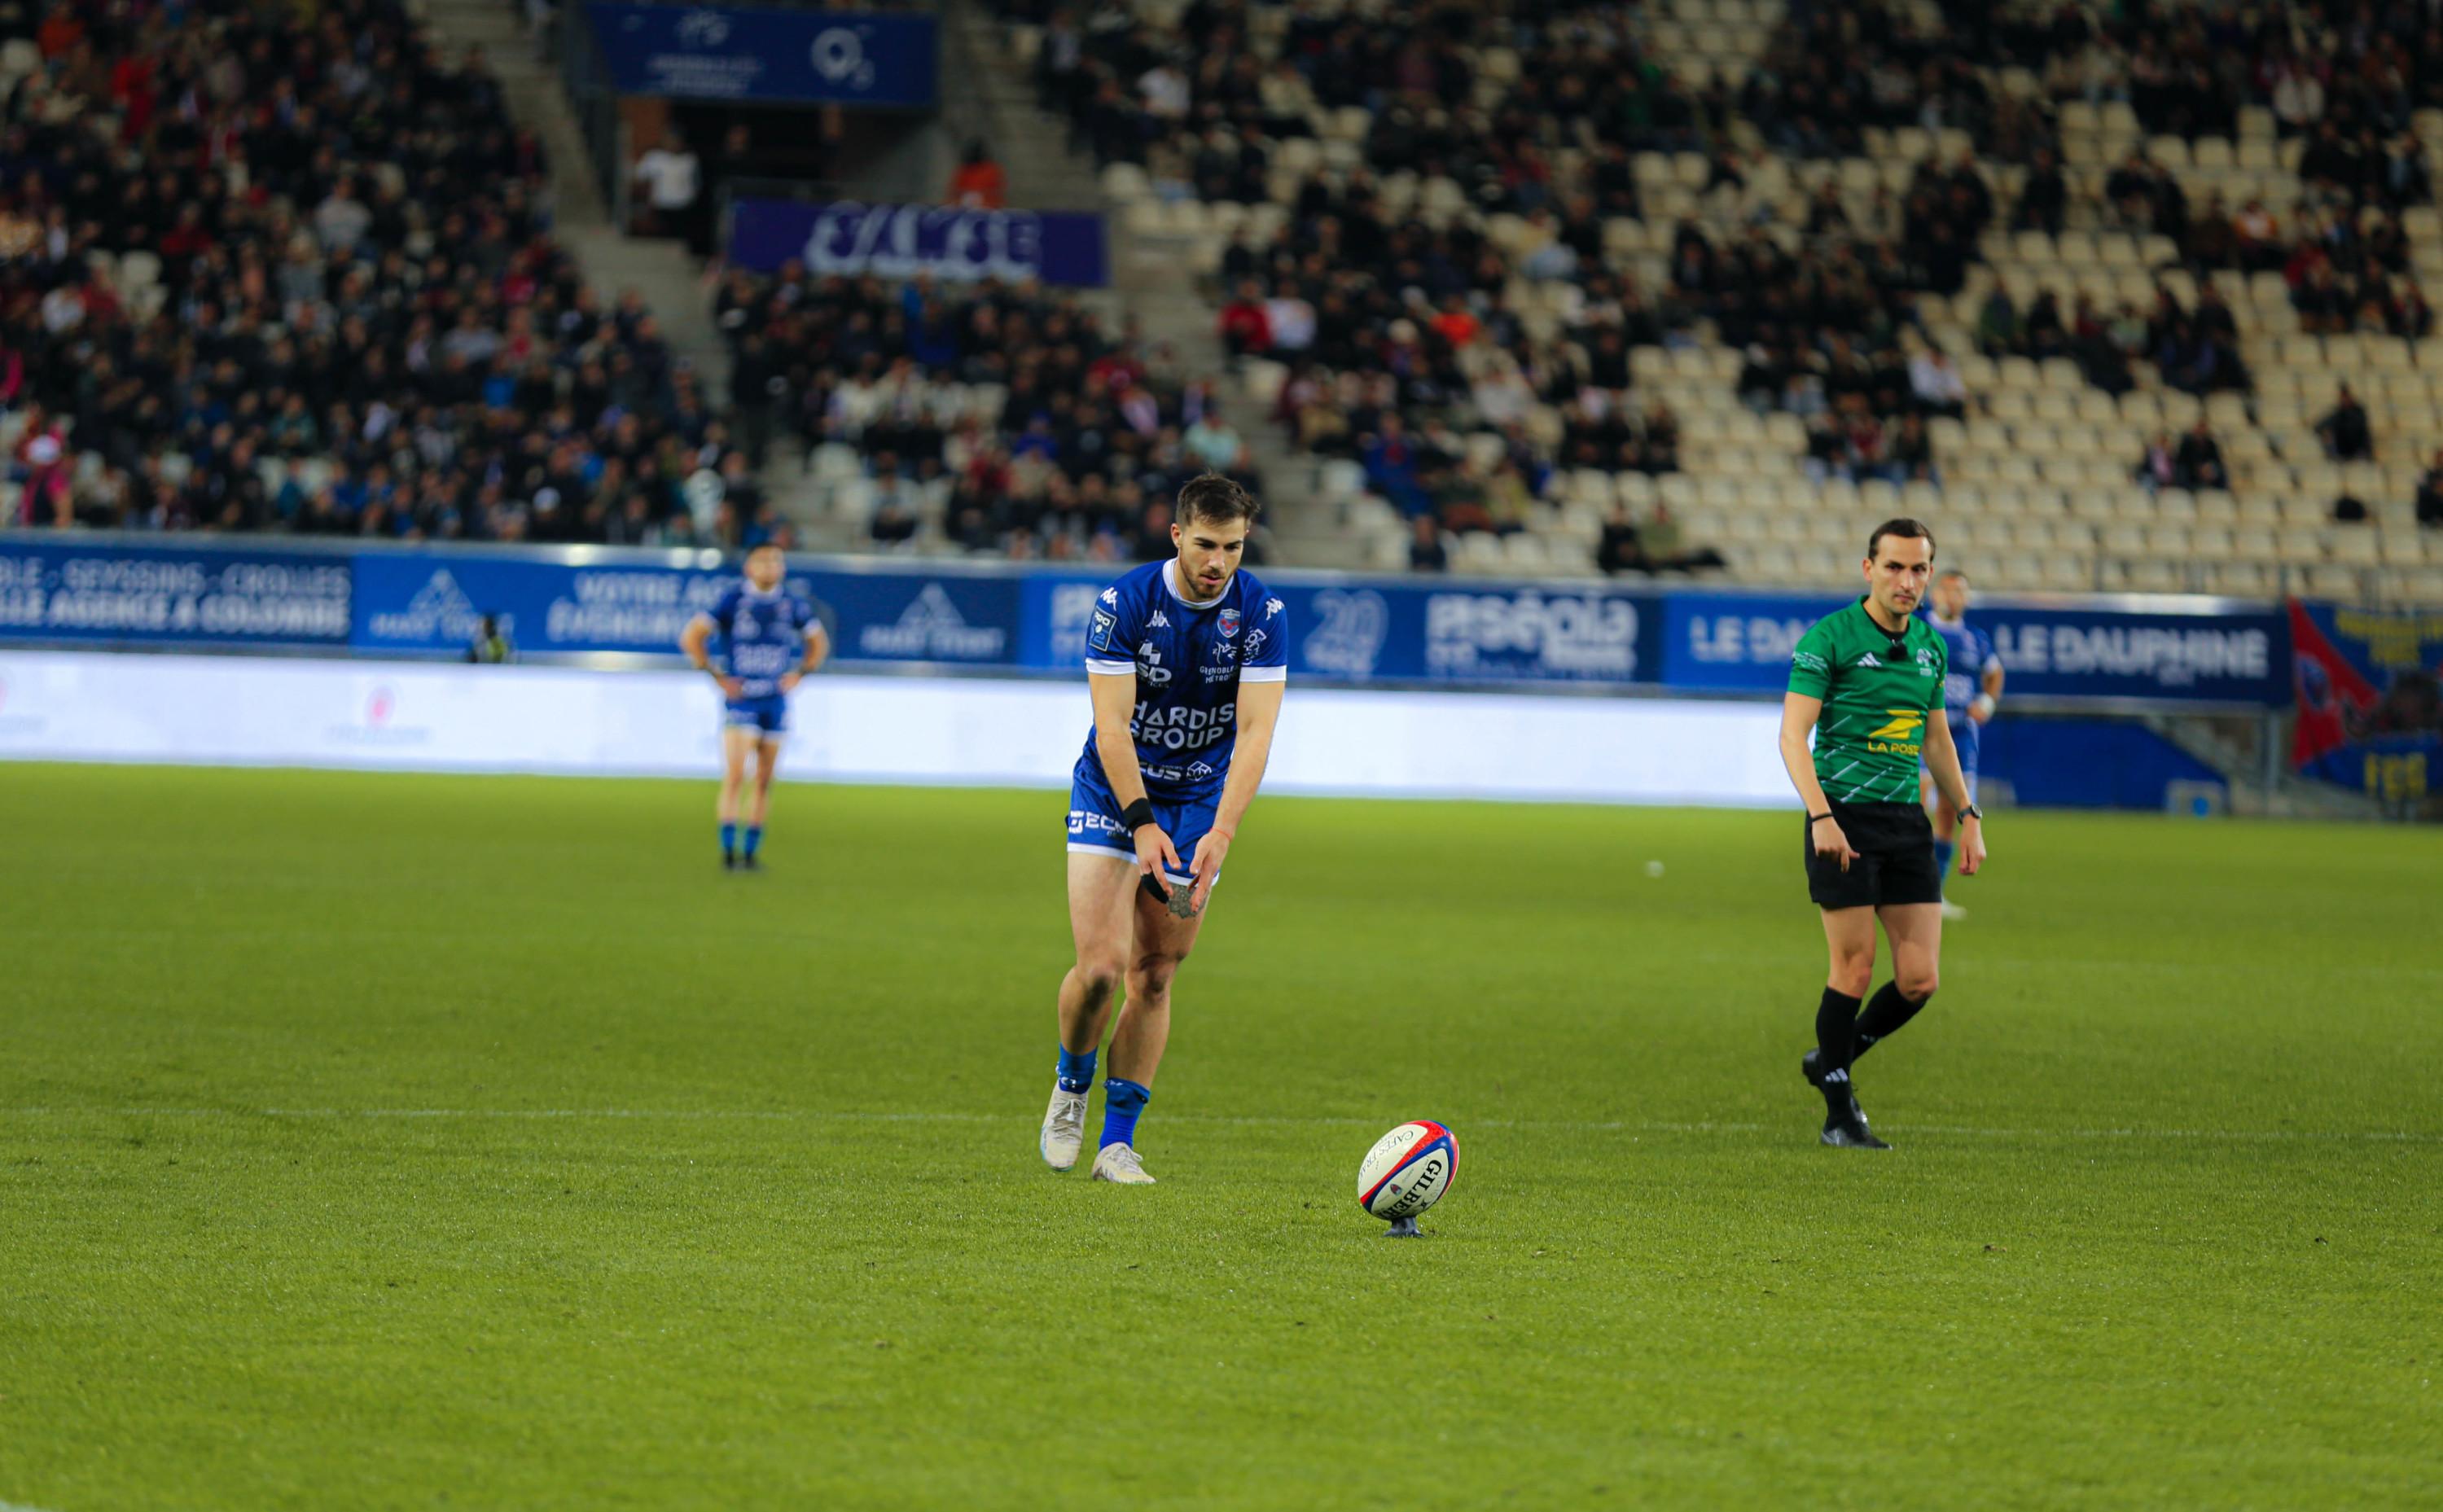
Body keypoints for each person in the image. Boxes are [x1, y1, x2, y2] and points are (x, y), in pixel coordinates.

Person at [1038, 475, 1287, 1185]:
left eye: (1232, 547)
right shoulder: (1124, 604)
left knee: (1156, 972)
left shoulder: (1263, 612)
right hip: (1114, 792)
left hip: (1198, 800)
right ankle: (1071, 1087)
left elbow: (1256, 734)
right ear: (1177, 535)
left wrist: (1224, 831)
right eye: (1205, 545)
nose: (1218, 562)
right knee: (1101, 970)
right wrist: (1142, 824)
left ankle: (1117, 1144)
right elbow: (1113, 730)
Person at [1778, 519, 1986, 1150]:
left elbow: (1937, 737)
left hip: (1905, 821)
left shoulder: (1929, 646)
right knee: (1856, 965)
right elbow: (1793, 737)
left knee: (1920, 978)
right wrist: (1821, 816)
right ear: (1868, 568)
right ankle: (1840, 1112)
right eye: (1894, 567)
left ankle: (1832, 1058)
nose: (1908, 580)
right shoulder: (1830, 638)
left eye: (1919, 568)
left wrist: (1968, 812)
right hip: (1842, 815)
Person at [678, 542, 830, 870]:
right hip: (742, 698)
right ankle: (728, 852)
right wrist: (716, 675)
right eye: (762, 560)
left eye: (776, 561)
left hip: (775, 700)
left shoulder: (792, 604)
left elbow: (819, 642)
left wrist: (801, 672)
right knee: (735, 775)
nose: (770, 566)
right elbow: (692, 636)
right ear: (749, 567)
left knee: (764, 780)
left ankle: (750, 854)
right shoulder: (733, 600)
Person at [1920, 569, 2003, 921]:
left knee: (1950, 812)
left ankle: (1932, 892)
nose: (1954, 597)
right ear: (1936, 594)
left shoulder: (1976, 639)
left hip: (1961, 733)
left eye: (1961, 592)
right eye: (1949, 590)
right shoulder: (1918, 630)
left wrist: (1987, 702)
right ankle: (1903, 883)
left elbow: (1994, 672)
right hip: (1923, 729)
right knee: (1916, 800)